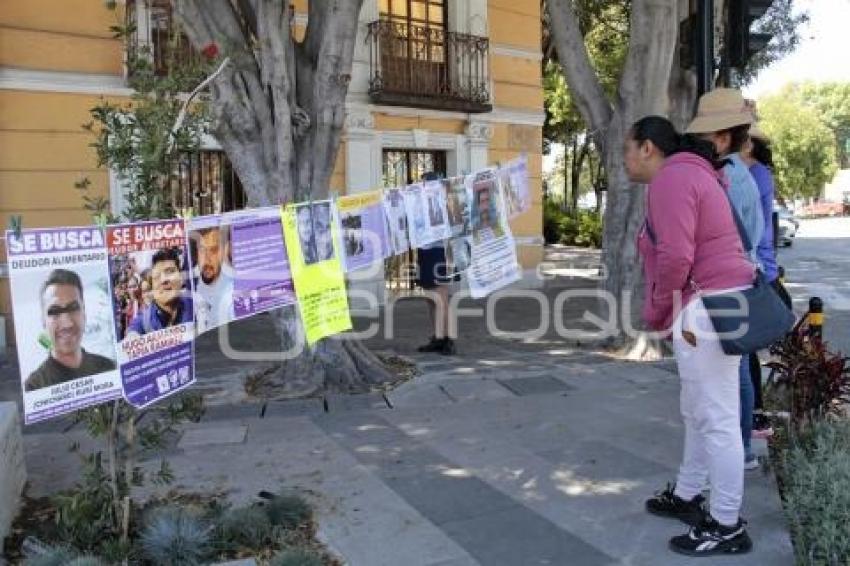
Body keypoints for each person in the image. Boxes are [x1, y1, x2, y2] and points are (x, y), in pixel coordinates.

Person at [627, 116, 755, 556]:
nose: (624, 159)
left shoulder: (672, 177)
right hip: (717, 304)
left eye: (627, 148)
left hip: (708, 307)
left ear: (647, 148)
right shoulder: (689, 172)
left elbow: (676, 257)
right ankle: (687, 494)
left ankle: (726, 524)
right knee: (697, 410)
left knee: (716, 417)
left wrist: (658, 309)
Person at [686, 87, 764, 472]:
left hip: (727, 284)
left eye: (704, 136)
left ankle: (740, 447)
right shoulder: (740, 174)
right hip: (740, 279)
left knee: (736, 374)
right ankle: (741, 444)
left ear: (721, 136)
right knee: (739, 367)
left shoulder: (727, 175)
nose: (699, 144)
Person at [741, 124, 792, 437]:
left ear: (747, 145)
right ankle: (756, 413)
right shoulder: (753, 173)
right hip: (759, 269)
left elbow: (750, 229)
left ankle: (755, 416)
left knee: (745, 349)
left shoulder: (755, 174)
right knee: (745, 350)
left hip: (757, 272)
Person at [25, 269, 116, 391]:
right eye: (55, 311)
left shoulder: (108, 367)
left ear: (84, 314)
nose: (67, 323)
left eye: (73, 308)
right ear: (43, 321)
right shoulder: (34, 386)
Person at [416, 172, 458, 356]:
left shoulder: (446, 203)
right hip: (425, 252)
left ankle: (449, 340)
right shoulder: (419, 204)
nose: (424, 188)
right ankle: (438, 337)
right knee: (430, 299)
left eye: (427, 184)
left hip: (440, 252)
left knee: (441, 298)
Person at [126, 248, 193, 337]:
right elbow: (134, 328)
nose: (164, 280)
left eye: (170, 272)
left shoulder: (196, 306)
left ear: (180, 277)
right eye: (157, 276)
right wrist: (132, 336)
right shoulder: (146, 320)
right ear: (152, 285)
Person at [193, 226, 235, 331]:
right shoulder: (190, 283)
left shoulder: (233, 294)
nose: (206, 259)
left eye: (213, 250)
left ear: (225, 250)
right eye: (202, 250)